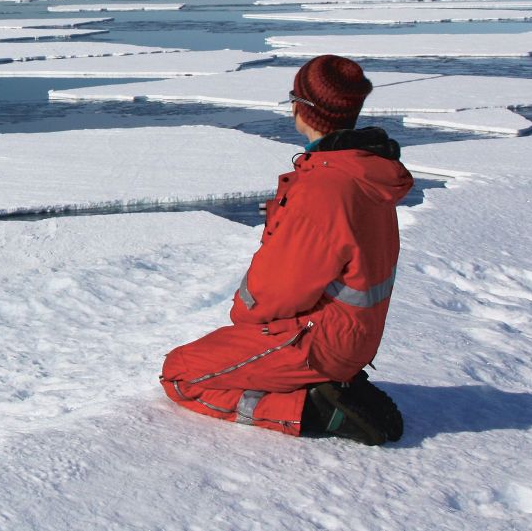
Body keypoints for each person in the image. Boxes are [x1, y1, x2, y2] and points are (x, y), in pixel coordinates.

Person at [160, 54, 411, 446]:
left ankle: (314, 409)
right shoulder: (362, 171)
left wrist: (246, 321)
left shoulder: (326, 188)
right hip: (350, 336)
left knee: (180, 373)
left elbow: (269, 295)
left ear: (303, 108)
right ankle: (324, 387)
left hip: (317, 341)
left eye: (294, 96)